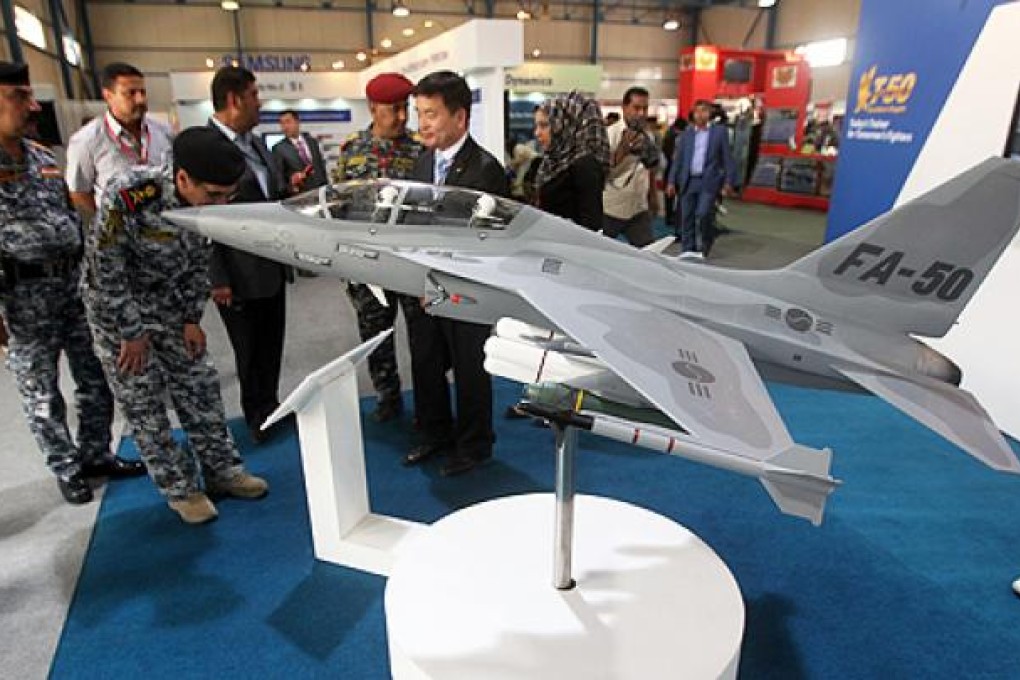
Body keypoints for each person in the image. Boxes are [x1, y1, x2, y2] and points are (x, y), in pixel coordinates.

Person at [83, 127, 268, 524]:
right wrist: (131, 333)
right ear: (182, 179)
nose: (221, 203)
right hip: (119, 310)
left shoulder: (208, 203)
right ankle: (181, 489)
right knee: (144, 402)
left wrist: (190, 319)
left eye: (228, 195)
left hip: (170, 305)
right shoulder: (129, 195)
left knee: (200, 386)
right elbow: (106, 270)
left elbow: (199, 263)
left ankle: (222, 472)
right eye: (214, 195)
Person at [0, 62, 143, 505]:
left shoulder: (43, 158)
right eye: (18, 97)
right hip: (21, 297)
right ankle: (66, 466)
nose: (31, 105)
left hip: (71, 286)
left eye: (29, 95)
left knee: (96, 376)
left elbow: (69, 215)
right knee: (41, 392)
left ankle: (96, 453)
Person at [402, 70, 508, 477]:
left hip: (466, 290)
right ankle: (434, 433)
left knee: (469, 369)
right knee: (425, 361)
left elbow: (484, 241)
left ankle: (475, 445)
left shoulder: (485, 170)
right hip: (424, 284)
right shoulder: (422, 162)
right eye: (419, 113)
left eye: (430, 114)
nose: (421, 123)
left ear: (460, 118)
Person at [333, 72, 424, 423]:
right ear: (373, 108)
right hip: (368, 263)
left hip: (409, 262)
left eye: (405, 108)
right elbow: (338, 207)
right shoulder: (352, 150)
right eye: (394, 109)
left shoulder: (419, 149)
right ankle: (387, 395)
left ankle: (428, 398)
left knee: (422, 336)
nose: (402, 116)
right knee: (375, 333)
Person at [207, 66, 291, 443]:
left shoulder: (257, 143)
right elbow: (202, 217)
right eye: (255, 95)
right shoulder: (204, 146)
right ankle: (255, 415)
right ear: (233, 99)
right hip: (236, 273)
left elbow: (269, 196)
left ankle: (270, 406)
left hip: (270, 265)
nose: (260, 103)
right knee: (249, 350)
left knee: (272, 344)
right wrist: (217, 276)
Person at [65, 62, 173, 221]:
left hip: (163, 227)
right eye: (131, 93)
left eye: (142, 92)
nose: (140, 100)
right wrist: (108, 225)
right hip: (119, 235)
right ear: (108, 95)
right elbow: (79, 193)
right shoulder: (86, 141)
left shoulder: (164, 131)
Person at [667, 99, 739, 260]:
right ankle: (687, 250)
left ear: (710, 113)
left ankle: (705, 243)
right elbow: (678, 160)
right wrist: (671, 181)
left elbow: (728, 158)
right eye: (697, 111)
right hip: (688, 181)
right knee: (686, 217)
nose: (700, 114)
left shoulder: (719, 132)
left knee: (703, 213)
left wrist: (729, 181)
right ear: (693, 113)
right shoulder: (686, 134)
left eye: (704, 110)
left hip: (708, 182)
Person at [533, 91, 609, 230]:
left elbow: (591, 226)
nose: (537, 133)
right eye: (536, 126)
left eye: (544, 125)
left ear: (564, 125)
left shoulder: (584, 166)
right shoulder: (551, 161)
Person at [602, 86, 660, 247]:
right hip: (610, 208)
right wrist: (623, 150)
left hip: (638, 209)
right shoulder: (608, 134)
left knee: (648, 255)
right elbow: (601, 171)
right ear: (624, 107)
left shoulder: (648, 136)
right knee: (598, 255)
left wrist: (653, 196)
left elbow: (650, 169)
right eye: (636, 108)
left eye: (645, 108)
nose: (641, 113)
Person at [272, 109, 328, 195]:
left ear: (297, 122)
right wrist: (292, 185)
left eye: (288, 122)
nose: (285, 127)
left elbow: (320, 168)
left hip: (320, 193)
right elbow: (280, 180)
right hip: (300, 197)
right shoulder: (279, 149)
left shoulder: (312, 142)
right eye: (282, 123)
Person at [661, 116, 688, 227]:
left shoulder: (668, 135)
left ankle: (669, 217)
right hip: (678, 170)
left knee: (669, 197)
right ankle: (676, 219)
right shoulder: (680, 138)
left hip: (669, 169)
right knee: (680, 198)